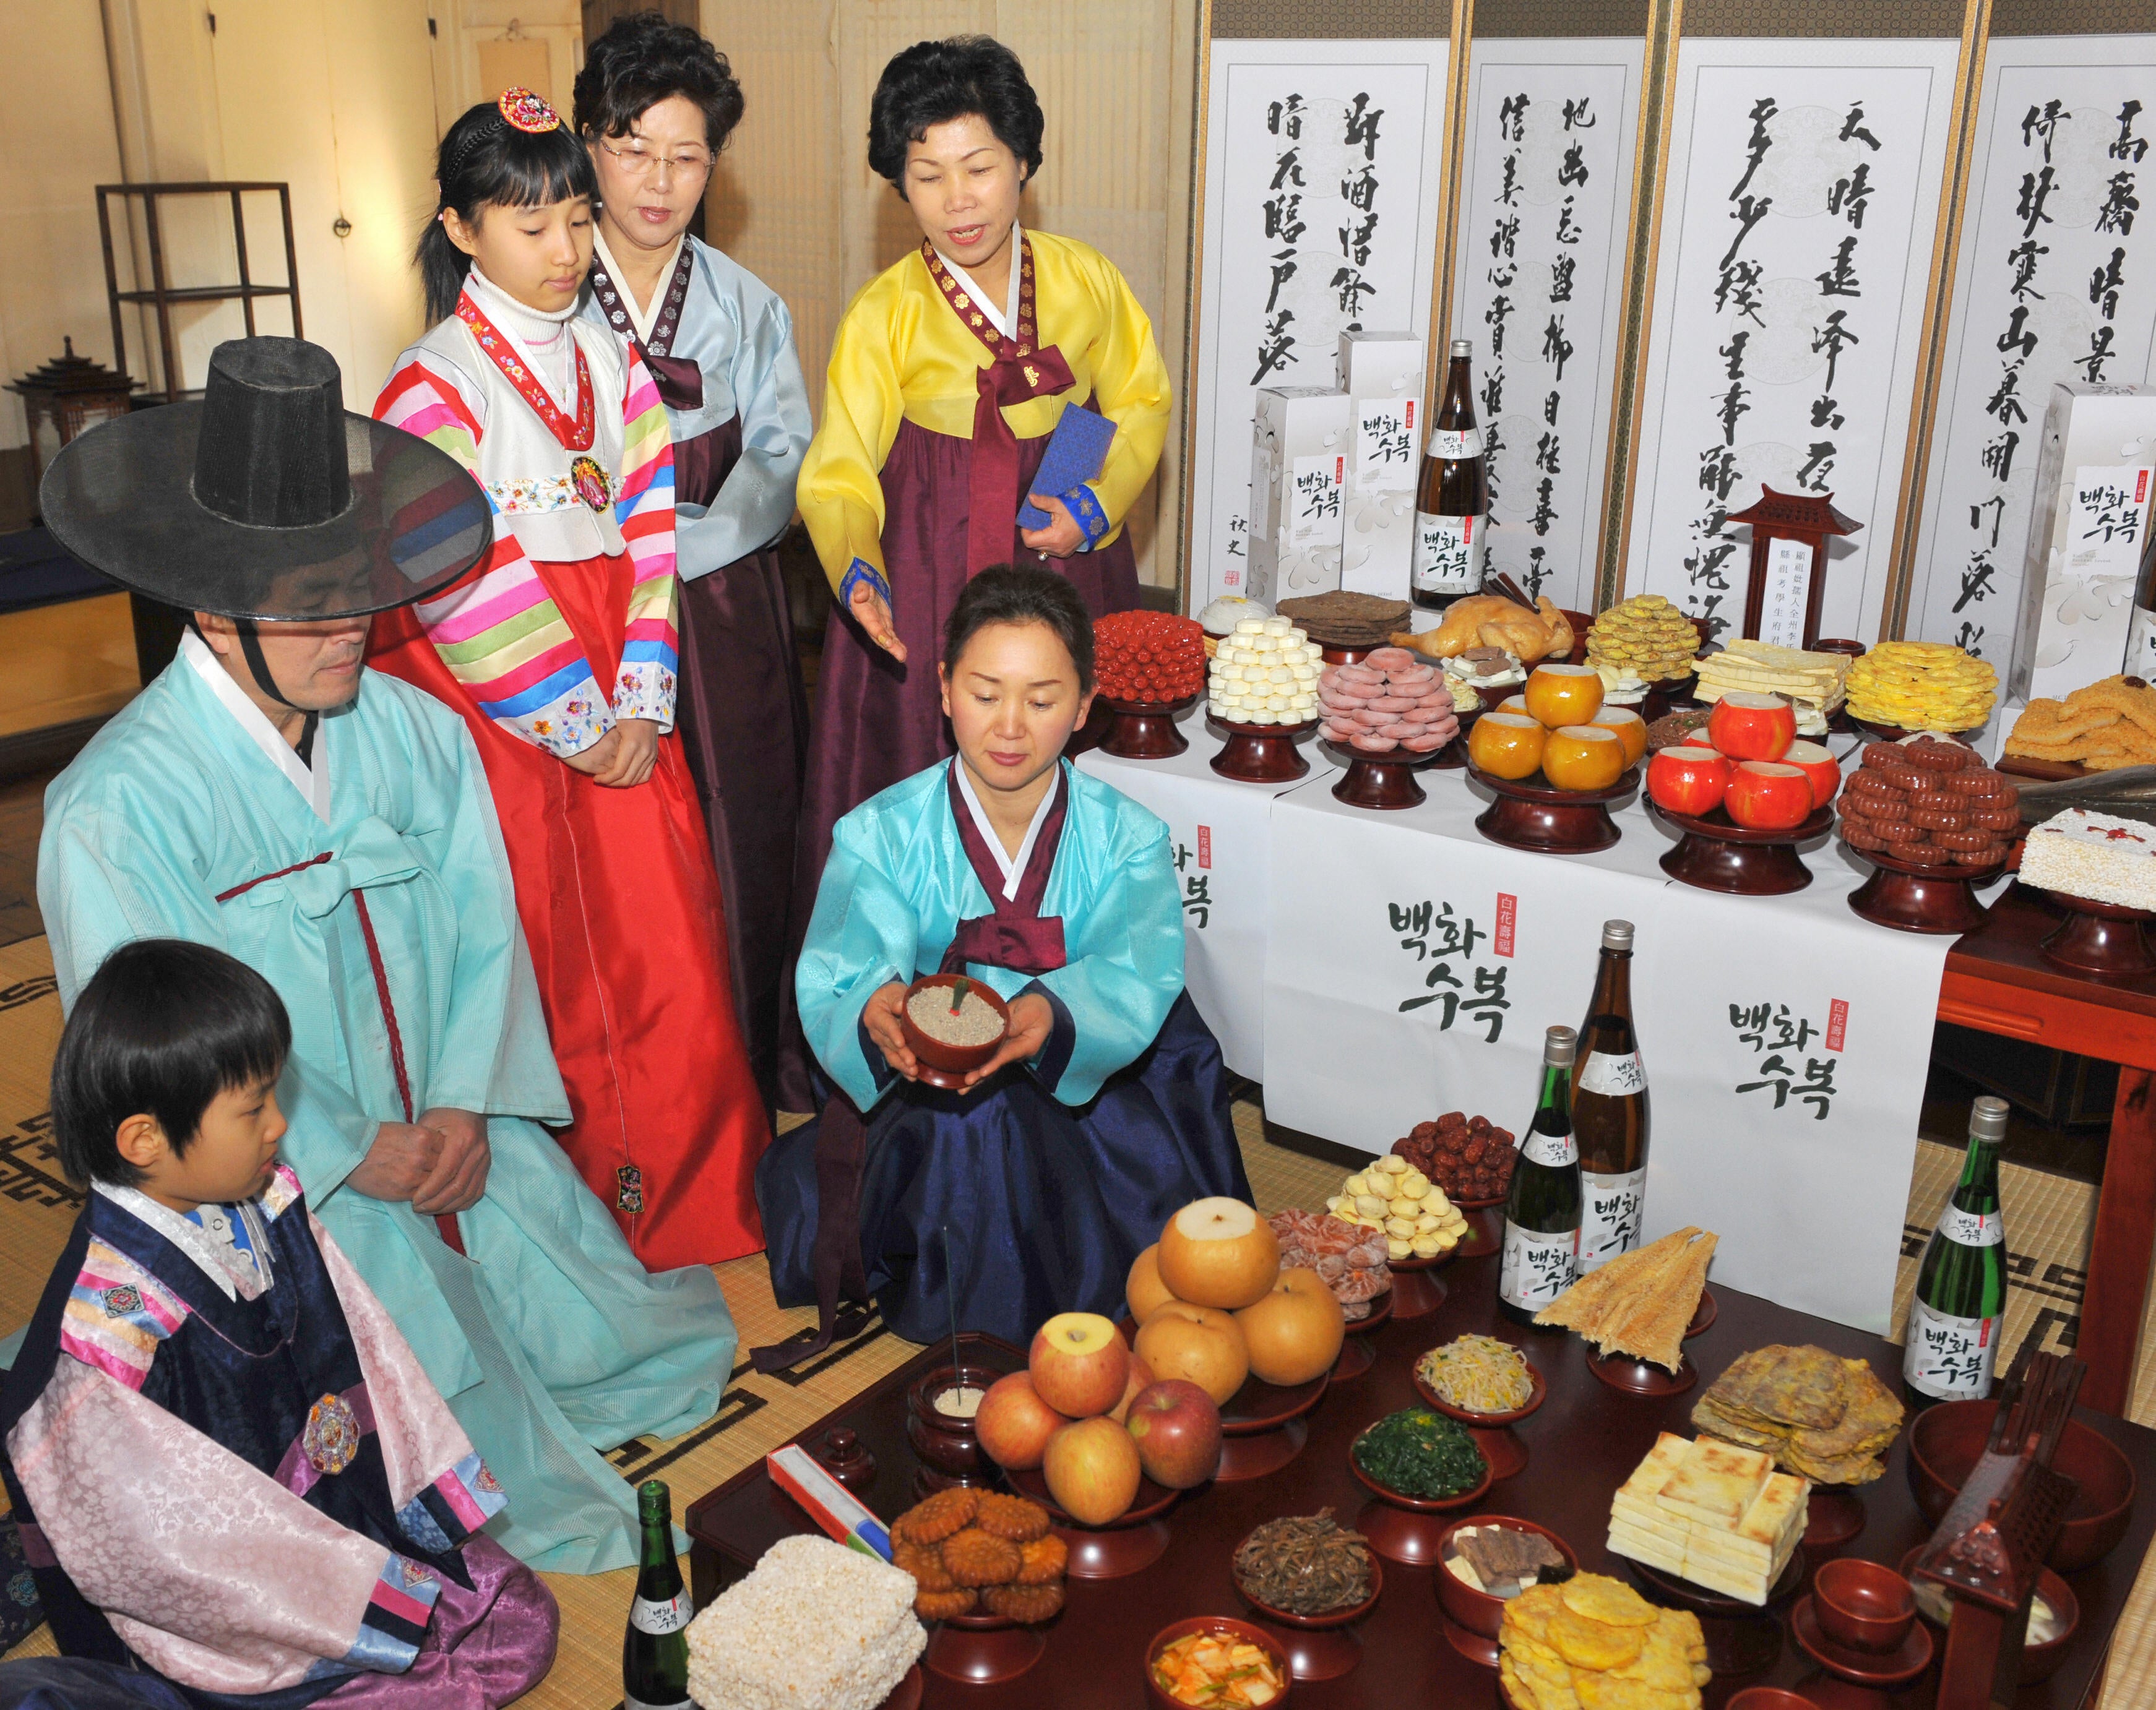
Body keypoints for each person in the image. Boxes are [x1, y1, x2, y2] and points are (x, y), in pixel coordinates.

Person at [35, 332, 735, 1574]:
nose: (353, 629)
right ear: (213, 601)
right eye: (312, 604)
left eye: (358, 589)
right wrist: (359, 1145)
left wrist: (465, 1105)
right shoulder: (116, 808)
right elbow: (170, 1062)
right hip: (284, 1180)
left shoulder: (416, 734)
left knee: (632, 1343)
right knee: (395, 1445)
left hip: (458, 1136)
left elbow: (482, 931)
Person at [370, 88, 771, 1267]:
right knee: (532, 953)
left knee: (667, 939)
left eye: (576, 222)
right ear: (461, 230)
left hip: (619, 686)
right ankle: (563, 1224)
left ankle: (689, 1193)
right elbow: (455, 577)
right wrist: (572, 714)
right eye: (527, 226)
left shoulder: (610, 360)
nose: (563, 253)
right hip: (499, 707)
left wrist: (642, 696)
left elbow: (652, 537)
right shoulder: (431, 384)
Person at [1, 940, 558, 1709]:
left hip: (314, 1496)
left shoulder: (258, 1198)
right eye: (253, 1106)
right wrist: (310, 1584)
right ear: (145, 1140)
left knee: (506, 1613)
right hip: (221, 1580)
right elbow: (152, 1538)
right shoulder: (109, 1330)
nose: (279, 1125)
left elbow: (358, 1340)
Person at [785, 36, 1173, 1109]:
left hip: (1061, 542)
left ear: (1022, 165)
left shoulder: (1085, 279)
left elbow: (1136, 397)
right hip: (927, 552)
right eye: (926, 173)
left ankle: (1086, 995)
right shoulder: (884, 312)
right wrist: (856, 567)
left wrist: (1095, 497)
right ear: (896, 183)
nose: (957, 199)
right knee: (929, 757)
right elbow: (837, 470)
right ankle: (918, 1011)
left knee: (1066, 748)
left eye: (979, 165)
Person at [757, 566, 1249, 1365]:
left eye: (1044, 699)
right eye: (986, 695)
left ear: (1086, 707)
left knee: (1050, 1110)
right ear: (945, 691)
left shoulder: (1129, 838)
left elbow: (1137, 966)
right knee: (969, 1118)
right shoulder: (880, 833)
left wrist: (1052, 1014)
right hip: (931, 1066)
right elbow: (846, 965)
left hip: (1087, 1060)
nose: (1011, 726)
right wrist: (877, 1007)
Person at [572, 17, 814, 1117]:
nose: (657, 182)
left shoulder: (744, 302)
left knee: (744, 830)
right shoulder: (544, 292)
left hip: (719, 609)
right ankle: (626, 1091)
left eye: (685, 156)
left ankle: (747, 1071)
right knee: (610, 856)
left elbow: (779, 458)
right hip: (589, 608)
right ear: (588, 145)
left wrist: (676, 547)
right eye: (632, 149)